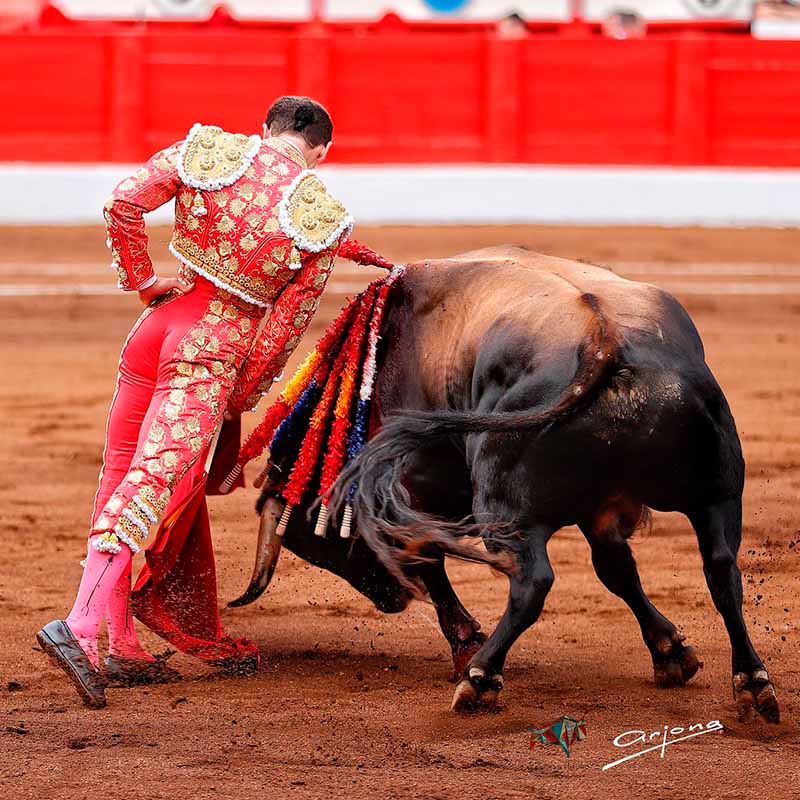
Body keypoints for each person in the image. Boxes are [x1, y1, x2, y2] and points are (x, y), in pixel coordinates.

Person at [37, 96, 353, 708]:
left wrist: (144, 282)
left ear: (266, 129)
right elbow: (284, 331)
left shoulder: (212, 150)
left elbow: (123, 202)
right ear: (321, 151)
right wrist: (238, 394)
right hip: (210, 350)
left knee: (121, 474)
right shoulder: (321, 215)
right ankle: (79, 626)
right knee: (153, 482)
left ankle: (117, 641)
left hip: (154, 329)